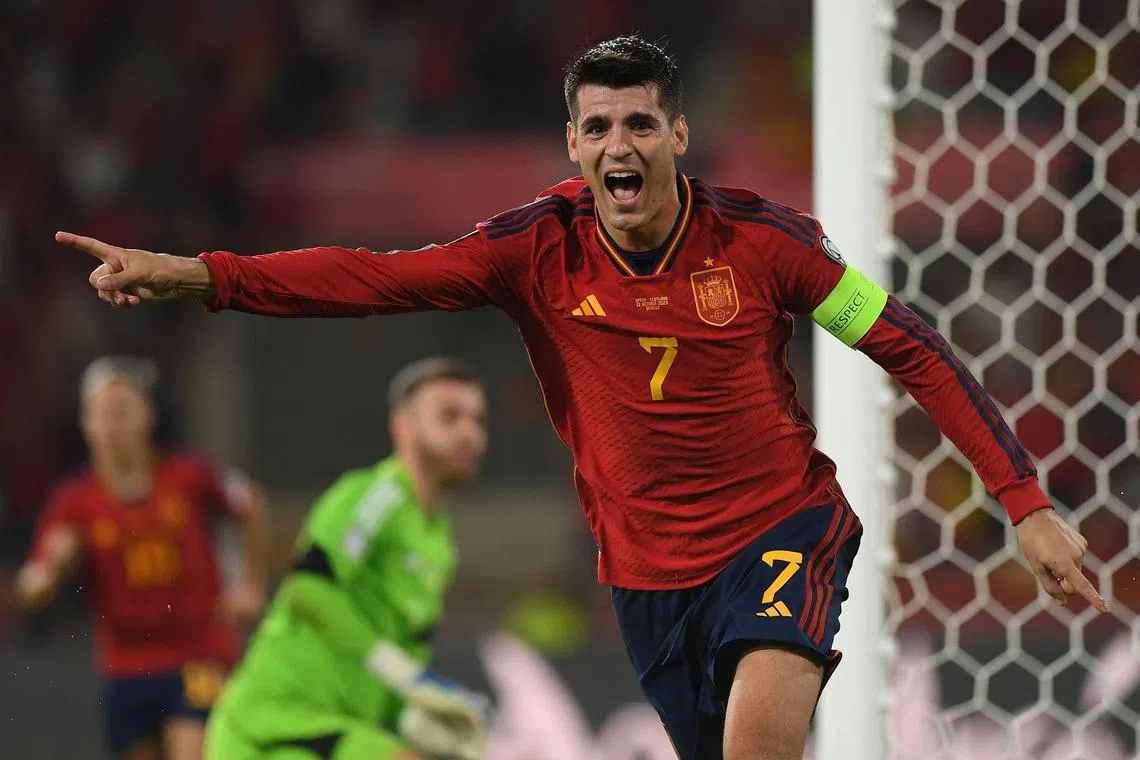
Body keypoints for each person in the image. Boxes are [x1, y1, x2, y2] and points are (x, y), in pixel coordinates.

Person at [55, 35, 1107, 760]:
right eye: (598, 127)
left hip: (779, 527)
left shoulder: (765, 244)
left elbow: (911, 346)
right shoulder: (532, 249)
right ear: (573, 144)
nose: (621, 147)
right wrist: (206, 275)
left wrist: (1023, 498)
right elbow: (374, 280)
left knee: (757, 742)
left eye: (641, 125)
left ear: (679, 137)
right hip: (647, 574)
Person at [204, 357, 490, 760]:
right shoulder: (376, 495)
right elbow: (306, 589)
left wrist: (420, 715)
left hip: (339, 729)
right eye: (450, 417)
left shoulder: (440, 543)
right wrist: (401, 672)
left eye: (478, 420)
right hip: (276, 721)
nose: (469, 433)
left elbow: (404, 663)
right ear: (402, 427)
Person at [16, 355, 270, 760]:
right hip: (125, 664)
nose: (113, 425)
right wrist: (51, 571)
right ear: (86, 423)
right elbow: (31, 585)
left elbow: (250, 503)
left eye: (123, 411)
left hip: (198, 651)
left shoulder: (188, 476)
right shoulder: (74, 502)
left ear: (147, 417)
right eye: (103, 413)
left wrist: (249, 583)